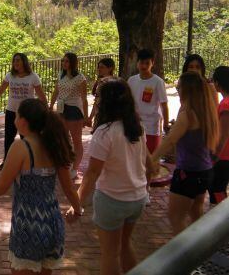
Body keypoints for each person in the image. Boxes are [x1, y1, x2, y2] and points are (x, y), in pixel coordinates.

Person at [0, 99, 82, 275]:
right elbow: (68, 189)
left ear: (23, 121)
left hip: (28, 226)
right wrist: (78, 210)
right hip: (52, 223)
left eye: (17, 115)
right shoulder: (54, 144)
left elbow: (0, 187)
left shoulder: (21, 146)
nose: (14, 119)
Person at [71, 80, 153, 275]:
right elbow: (149, 164)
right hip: (137, 198)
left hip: (112, 200)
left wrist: (77, 203)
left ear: (106, 102)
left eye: (98, 96)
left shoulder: (104, 132)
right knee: (124, 245)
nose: (96, 100)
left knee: (109, 254)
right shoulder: (137, 127)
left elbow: (92, 173)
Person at [151, 72, 219, 235]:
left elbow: (170, 141)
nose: (178, 90)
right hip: (204, 171)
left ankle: (183, 257)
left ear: (186, 90)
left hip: (188, 173)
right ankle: (201, 255)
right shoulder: (205, 112)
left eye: (178, 87)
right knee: (196, 214)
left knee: (176, 217)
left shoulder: (187, 114)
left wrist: (152, 159)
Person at [0, 53, 47, 170]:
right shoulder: (10, 76)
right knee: (9, 138)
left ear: (24, 62)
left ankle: (28, 162)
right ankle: (6, 162)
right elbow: (0, 90)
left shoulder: (33, 77)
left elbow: (41, 95)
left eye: (18, 60)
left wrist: (47, 110)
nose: (16, 63)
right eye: (14, 61)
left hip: (27, 113)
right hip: (11, 111)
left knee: (26, 139)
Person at [49, 53, 88, 179]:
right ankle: (65, 163)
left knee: (77, 141)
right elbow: (56, 91)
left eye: (66, 61)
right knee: (63, 139)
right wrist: (50, 106)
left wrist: (86, 117)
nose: (64, 63)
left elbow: (84, 98)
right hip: (61, 109)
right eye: (63, 61)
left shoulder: (80, 78)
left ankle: (75, 168)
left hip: (74, 109)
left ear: (72, 62)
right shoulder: (61, 75)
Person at [127, 49, 169, 154]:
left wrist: (166, 124)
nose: (144, 66)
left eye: (147, 63)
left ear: (152, 64)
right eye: (141, 62)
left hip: (151, 126)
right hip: (134, 125)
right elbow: (127, 102)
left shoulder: (158, 82)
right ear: (137, 63)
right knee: (134, 156)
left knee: (151, 157)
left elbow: (164, 105)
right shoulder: (131, 80)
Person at [208, 66, 229, 205]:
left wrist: (214, 156)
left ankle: (220, 217)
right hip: (224, 156)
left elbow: (223, 135)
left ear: (217, 83)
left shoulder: (226, 104)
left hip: (223, 156)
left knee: (217, 189)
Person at [87, 57, 116, 127]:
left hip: (109, 117)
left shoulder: (114, 83)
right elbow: (96, 102)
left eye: (102, 67)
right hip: (99, 116)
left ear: (110, 68)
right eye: (99, 67)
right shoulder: (100, 82)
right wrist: (90, 118)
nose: (99, 69)